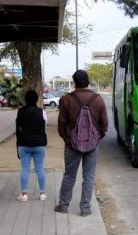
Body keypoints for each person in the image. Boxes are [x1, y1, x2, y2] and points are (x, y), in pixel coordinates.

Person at [56, 69, 108, 216]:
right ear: (88, 81)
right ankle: (85, 209)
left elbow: (61, 123)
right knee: (89, 176)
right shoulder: (98, 99)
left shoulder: (67, 99)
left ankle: (63, 205)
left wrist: (67, 139)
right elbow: (104, 124)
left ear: (75, 82)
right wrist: (97, 137)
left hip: (72, 145)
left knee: (69, 175)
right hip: (92, 145)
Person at [15, 89, 48, 202]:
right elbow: (44, 126)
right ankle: (42, 193)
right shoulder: (41, 112)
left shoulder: (20, 112)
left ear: (25, 99)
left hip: (23, 144)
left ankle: (24, 194)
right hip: (39, 144)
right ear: (37, 99)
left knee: (25, 169)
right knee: (40, 168)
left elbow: (18, 129)